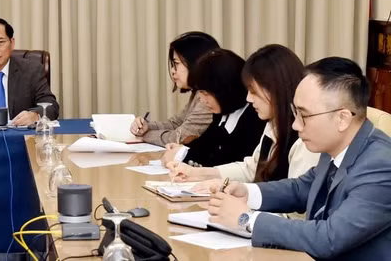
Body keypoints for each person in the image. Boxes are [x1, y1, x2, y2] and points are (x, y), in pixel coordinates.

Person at [208, 57, 391, 260]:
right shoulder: (338, 145)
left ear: (342, 118)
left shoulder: (381, 167)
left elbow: (327, 238)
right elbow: (301, 188)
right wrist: (246, 192)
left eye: (304, 115)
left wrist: (246, 219)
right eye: (295, 113)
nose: (295, 125)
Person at [167, 45, 319, 185]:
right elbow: (251, 168)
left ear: (276, 90)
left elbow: (297, 206)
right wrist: (196, 173)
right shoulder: (273, 125)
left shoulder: (306, 140)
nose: (248, 98)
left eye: (254, 92)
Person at [161, 48, 264, 167]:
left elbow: (227, 161)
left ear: (224, 91)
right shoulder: (223, 114)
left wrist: (181, 154)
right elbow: (206, 144)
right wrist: (182, 149)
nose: (203, 100)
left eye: (205, 94)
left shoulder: (255, 118)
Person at [130, 31, 219, 146]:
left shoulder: (209, 98)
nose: (172, 70)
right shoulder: (198, 92)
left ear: (196, 63)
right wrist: (147, 126)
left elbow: (180, 137)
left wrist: (145, 135)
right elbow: (176, 123)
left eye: (176, 64)